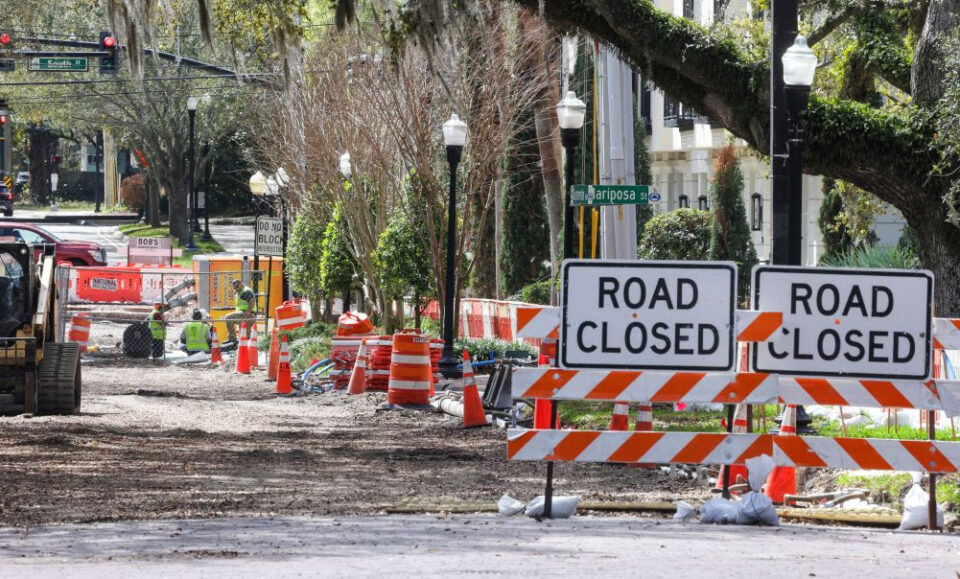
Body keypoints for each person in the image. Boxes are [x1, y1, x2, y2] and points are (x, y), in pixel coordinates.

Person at [223, 279, 255, 344]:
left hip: (248, 314)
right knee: (245, 338)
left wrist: (248, 312)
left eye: (237, 287)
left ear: (241, 284)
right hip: (243, 315)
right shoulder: (239, 292)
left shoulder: (246, 291)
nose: (236, 289)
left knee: (228, 318)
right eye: (234, 288)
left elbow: (252, 301)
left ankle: (232, 339)